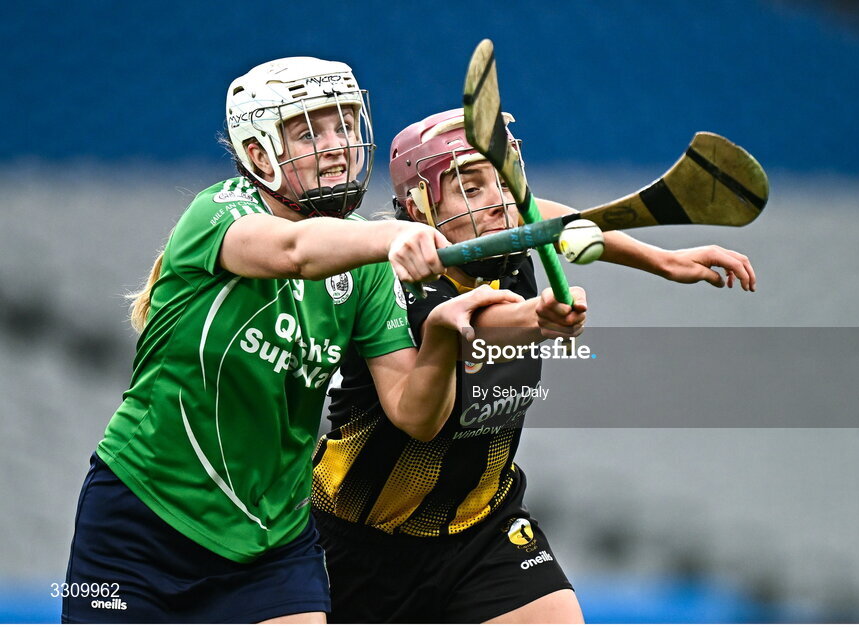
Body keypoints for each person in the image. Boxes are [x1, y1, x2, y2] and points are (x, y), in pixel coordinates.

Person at [60, 59, 529, 624]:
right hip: (142, 521)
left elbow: (414, 413)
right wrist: (395, 234)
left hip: (273, 538)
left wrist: (439, 339)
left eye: (346, 126)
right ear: (259, 154)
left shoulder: (366, 269)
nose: (336, 146)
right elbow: (295, 251)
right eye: (310, 131)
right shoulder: (218, 214)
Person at [310, 109, 756, 623]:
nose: (497, 204)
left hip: (482, 527)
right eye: (470, 189)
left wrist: (662, 258)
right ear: (419, 206)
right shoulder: (390, 272)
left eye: (503, 182)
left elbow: (545, 214)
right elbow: (466, 323)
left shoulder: (505, 229)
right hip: (360, 539)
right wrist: (534, 316)